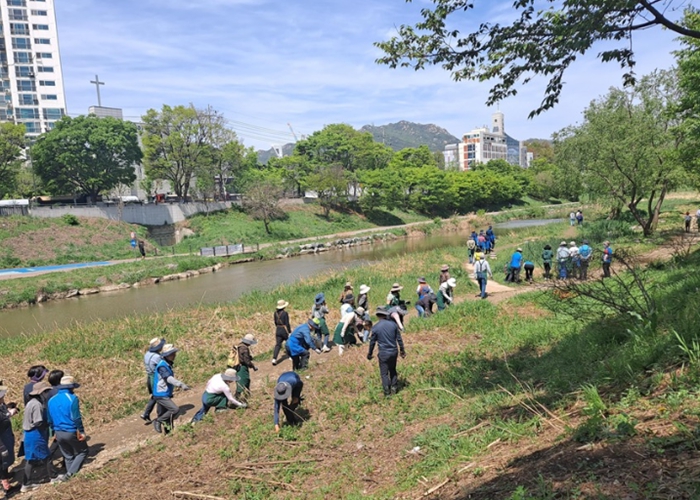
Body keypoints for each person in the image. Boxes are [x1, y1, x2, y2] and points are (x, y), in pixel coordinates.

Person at [46, 375, 88, 480]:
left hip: (58, 432)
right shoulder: (72, 398)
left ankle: (71, 479)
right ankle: (69, 475)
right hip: (70, 430)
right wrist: (81, 431)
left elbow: (49, 418)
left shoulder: (51, 400)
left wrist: (53, 432)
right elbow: (76, 417)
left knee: (68, 456)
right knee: (83, 451)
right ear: (71, 387)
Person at [21, 381, 53, 492]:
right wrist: (49, 424)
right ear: (41, 393)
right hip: (36, 434)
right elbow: (38, 422)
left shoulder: (31, 403)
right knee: (47, 457)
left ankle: (26, 483)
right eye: (46, 392)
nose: (48, 394)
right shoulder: (37, 405)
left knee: (31, 459)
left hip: (28, 434)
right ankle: (53, 477)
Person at [367, 307, 406, 397]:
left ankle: (387, 392)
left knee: (384, 373)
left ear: (377, 316)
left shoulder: (375, 327)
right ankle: (394, 388)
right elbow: (399, 339)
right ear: (386, 315)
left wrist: (370, 354)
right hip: (394, 351)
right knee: (393, 369)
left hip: (383, 353)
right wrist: (402, 350)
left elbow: (372, 342)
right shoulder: (393, 325)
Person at [151, 345, 190, 434]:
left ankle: (168, 434)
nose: (174, 355)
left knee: (165, 415)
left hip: (163, 393)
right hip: (161, 394)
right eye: (172, 354)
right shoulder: (162, 366)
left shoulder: (167, 364)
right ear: (167, 355)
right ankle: (157, 421)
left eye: (174, 353)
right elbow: (168, 378)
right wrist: (180, 384)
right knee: (174, 410)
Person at [140, 337, 165, 423]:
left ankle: (146, 414)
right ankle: (160, 417)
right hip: (155, 378)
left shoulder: (147, 354)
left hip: (149, 377)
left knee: (154, 396)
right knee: (160, 396)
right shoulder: (157, 357)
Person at [0, 383, 18, 493]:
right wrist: (9, 414)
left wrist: (7, 408)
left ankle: (4, 476)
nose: (3, 397)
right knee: (2, 459)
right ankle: (6, 486)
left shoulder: (1, 405)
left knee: (5, 459)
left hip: (5, 436)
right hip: (1, 440)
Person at [234, 334, 258, 402]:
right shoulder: (244, 348)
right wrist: (253, 366)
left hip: (238, 367)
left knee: (241, 383)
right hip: (242, 368)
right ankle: (239, 399)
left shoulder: (239, 346)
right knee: (244, 382)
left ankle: (243, 397)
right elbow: (246, 361)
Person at [272, 299, 291, 366]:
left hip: (278, 329)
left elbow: (275, 322)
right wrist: (289, 332)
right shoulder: (285, 313)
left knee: (278, 345)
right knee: (289, 342)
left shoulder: (275, 313)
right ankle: (290, 355)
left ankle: (274, 358)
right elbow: (287, 323)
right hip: (284, 329)